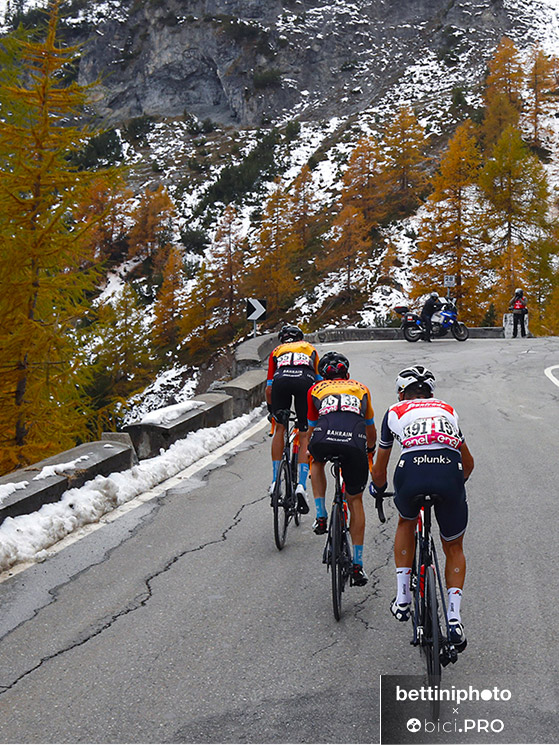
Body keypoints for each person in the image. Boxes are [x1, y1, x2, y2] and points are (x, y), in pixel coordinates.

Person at [370, 365, 474, 651]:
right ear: (431, 392)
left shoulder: (395, 410)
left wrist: (378, 490)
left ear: (401, 392)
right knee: (453, 547)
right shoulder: (448, 410)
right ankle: (454, 618)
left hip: (411, 473)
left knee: (406, 521)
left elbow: (379, 468)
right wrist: (455, 484)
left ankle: (403, 598)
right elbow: (469, 463)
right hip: (448, 475)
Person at [306, 351, 377, 587]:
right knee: (355, 499)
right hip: (354, 443)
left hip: (324, 438)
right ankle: (357, 565)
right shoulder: (361, 388)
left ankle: (321, 515)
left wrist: (310, 449)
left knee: (315, 461)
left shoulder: (315, 390)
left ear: (323, 374)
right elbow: (370, 430)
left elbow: (312, 426)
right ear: (347, 372)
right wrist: (370, 451)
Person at [266, 324, 320, 514]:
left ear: (282, 339)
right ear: (300, 339)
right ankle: (301, 486)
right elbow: (320, 384)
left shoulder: (276, 351)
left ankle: (275, 482)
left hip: (281, 381)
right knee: (304, 434)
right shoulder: (310, 349)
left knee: (280, 428)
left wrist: (271, 409)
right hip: (305, 381)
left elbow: (269, 388)